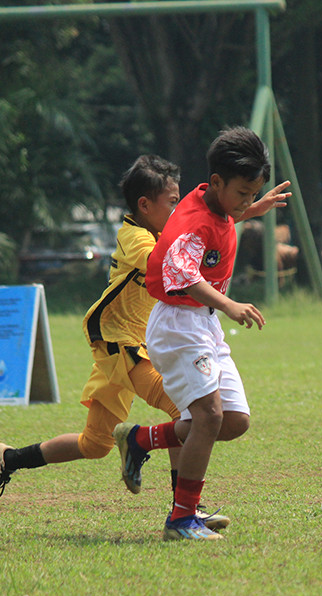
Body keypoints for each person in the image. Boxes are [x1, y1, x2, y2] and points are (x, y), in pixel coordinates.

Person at [0, 154, 290, 521]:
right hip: (120, 342)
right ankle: (187, 508)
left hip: (138, 345)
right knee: (186, 409)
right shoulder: (136, 238)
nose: (178, 210)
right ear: (144, 205)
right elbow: (176, 258)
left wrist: (247, 210)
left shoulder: (159, 231)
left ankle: (7, 459)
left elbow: (196, 230)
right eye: (172, 202)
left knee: (95, 444)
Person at [114, 126, 272, 541]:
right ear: (217, 182)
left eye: (253, 193)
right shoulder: (194, 222)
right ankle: (182, 518)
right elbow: (181, 274)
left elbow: (227, 214)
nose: (247, 200)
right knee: (208, 417)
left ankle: (140, 439)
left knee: (233, 421)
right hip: (179, 325)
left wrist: (252, 209)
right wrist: (230, 304)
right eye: (243, 193)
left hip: (203, 323)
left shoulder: (212, 200)